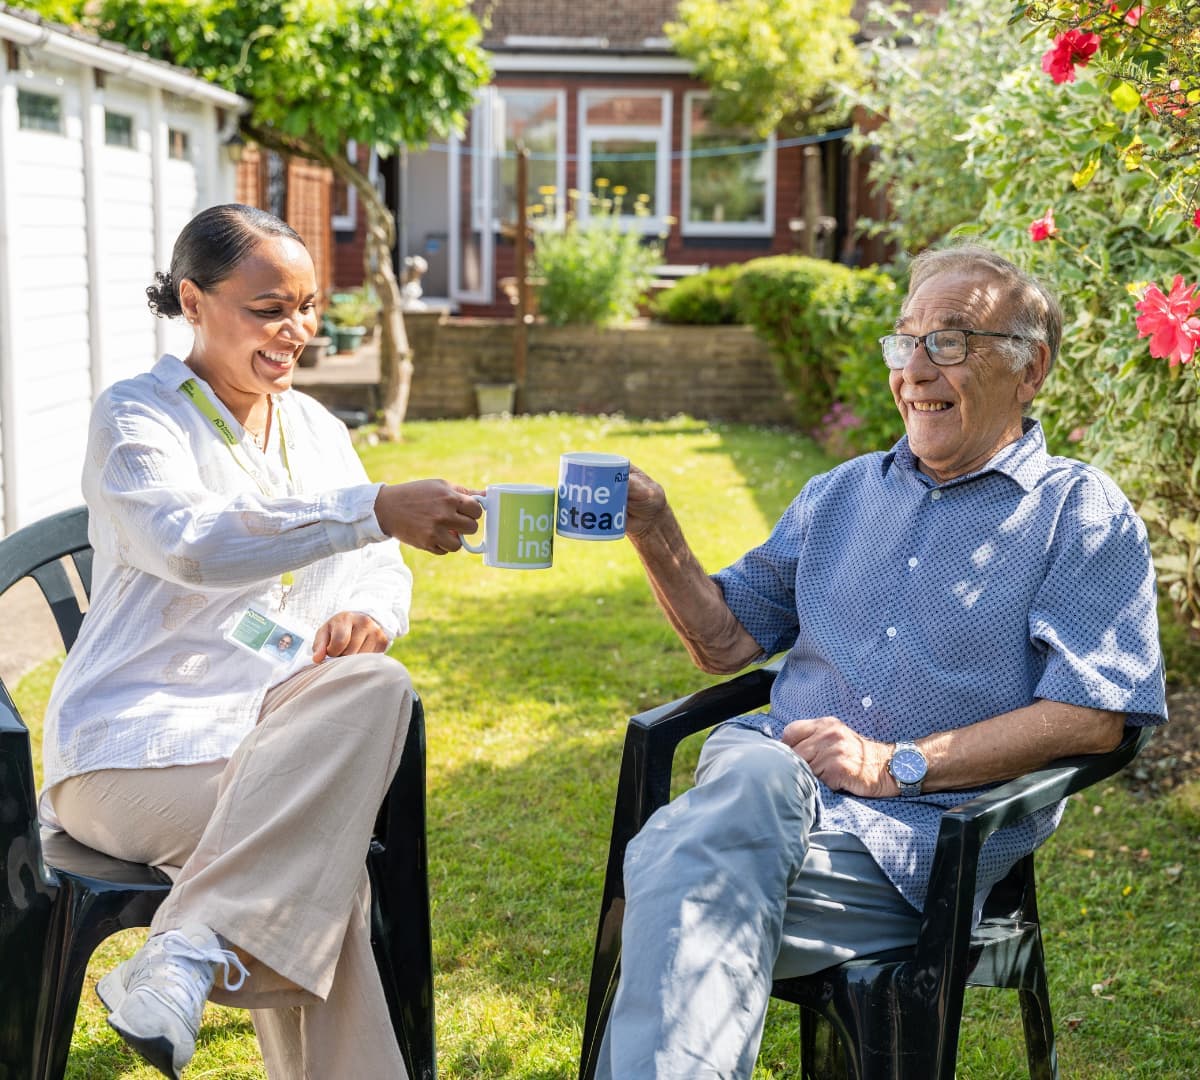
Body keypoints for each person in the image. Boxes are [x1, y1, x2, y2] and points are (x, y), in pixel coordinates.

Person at [597, 244, 1168, 1078]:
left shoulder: (1078, 513)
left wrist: (896, 765)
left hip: (914, 851)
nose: (915, 370)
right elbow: (725, 642)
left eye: (951, 341)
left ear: (1030, 369)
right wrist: (653, 524)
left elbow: (1093, 712)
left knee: (677, 877)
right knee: (745, 793)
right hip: (769, 788)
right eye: (907, 342)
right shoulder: (842, 493)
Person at [41, 204, 483, 1079]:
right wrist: (371, 508)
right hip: (132, 749)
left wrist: (369, 614)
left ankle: (182, 958)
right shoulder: (136, 417)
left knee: (380, 682)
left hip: (267, 735)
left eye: (309, 306)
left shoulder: (317, 429)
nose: (298, 331)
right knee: (327, 873)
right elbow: (193, 542)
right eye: (270, 308)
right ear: (194, 302)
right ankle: (193, 951)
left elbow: (381, 571)